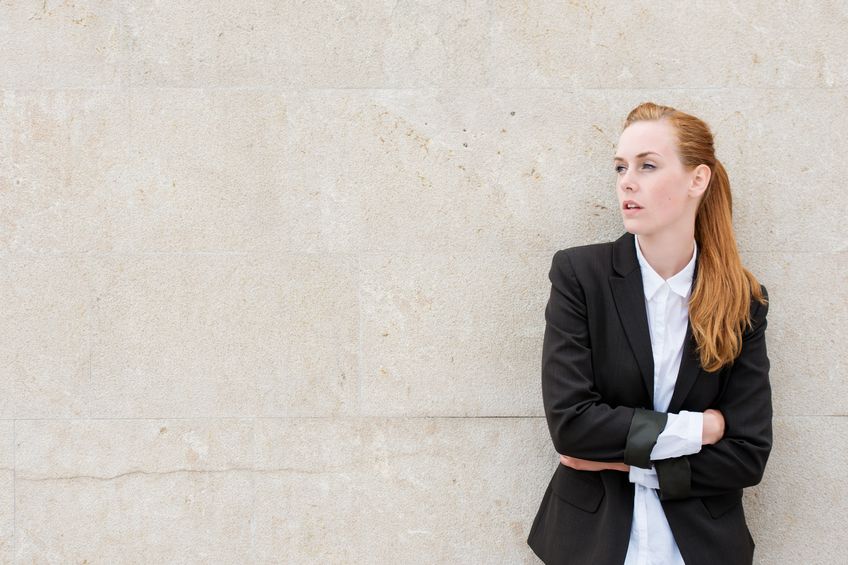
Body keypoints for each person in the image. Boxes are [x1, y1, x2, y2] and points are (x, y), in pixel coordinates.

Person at [526, 101, 772, 565]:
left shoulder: (743, 301)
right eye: (621, 167)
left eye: (648, 166)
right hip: (592, 543)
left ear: (697, 180)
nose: (627, 182)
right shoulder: (581, 275)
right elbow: (572, 426)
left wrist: (626, 461)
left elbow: (747, 455)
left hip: (700, 546)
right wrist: (700, 427)